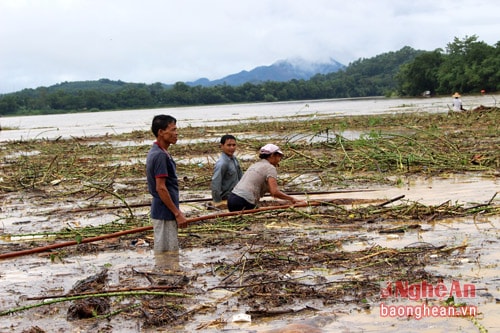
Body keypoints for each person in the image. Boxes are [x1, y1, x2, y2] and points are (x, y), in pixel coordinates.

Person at [146, 115, 187, 253]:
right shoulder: (160, 156)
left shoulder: (160, 153)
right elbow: (161, 188)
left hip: (164, 211)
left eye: (176, 129)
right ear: (161, 132)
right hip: (164, 212)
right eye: (173, 130)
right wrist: (177, 213)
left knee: (168, 254)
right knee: (166, 251)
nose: (176, 133)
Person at [227, 143, 306, 211]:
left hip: (231, 200)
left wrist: (286, 199)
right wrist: (292, 199)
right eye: (279, 156)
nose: (279, 159)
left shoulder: (256, 165)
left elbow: (271, 191)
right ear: (272, 155)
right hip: (243, 202)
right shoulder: (270, 168)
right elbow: (274, 192)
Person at [211, 134, 243, 208]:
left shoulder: (234, 159)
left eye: (234, 145)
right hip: (227, 198)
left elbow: (241, 177)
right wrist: (217, 202)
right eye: (229, 145)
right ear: (222, 146)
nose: (232, 148)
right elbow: (216, 183)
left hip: (237, 195)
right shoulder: (222, 163)